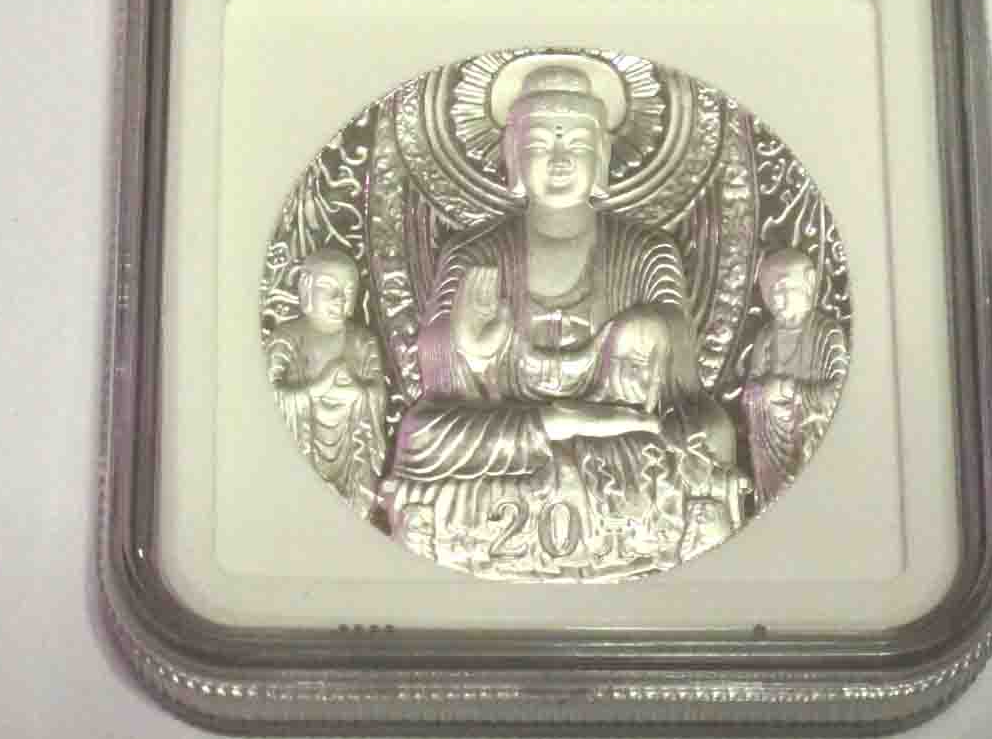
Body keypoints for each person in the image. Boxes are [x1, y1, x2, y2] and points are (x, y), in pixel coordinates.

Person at [384, 63, 738, 577]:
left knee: (708, 433)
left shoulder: (648, 250)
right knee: (421, 434)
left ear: (602, 156)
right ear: (511, 156)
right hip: (512, 421)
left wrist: (647, 335)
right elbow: (437, 372)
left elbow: (681, 358)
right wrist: (470, 348)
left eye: (575, 143)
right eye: (538, 145)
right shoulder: (473, 251)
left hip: (619, 417)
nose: (558, 160)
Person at [267, 248, 389, 515]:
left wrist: (358, 393)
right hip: (304, 443)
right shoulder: (286, 338)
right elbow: (269, 397)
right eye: (327, 287)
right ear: (306, 288)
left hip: (352, 453)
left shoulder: (363, 341)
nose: (339, 298)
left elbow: (378, 392)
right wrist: (316, 389)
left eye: (348, 290)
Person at [741, 247, 849, 508]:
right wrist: (763, 395)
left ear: (809, 282)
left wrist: (790, 391)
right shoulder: (766, 337)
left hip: (812, 437)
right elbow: (749, 393)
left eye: (783, 288)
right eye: (770, 292)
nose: (777, 298)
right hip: (773, 446)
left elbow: (838, 394)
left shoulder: (827, 333)